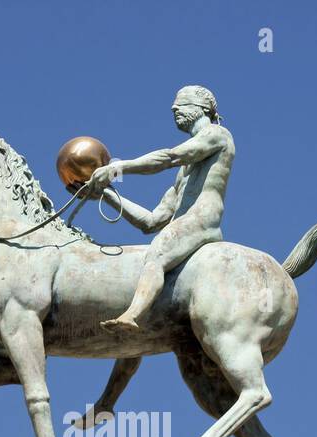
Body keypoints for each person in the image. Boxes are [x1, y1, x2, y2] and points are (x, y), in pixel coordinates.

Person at [83, 85, 234, 335]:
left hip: (202, 219)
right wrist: (106, 195)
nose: (174, 108)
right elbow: (152, 221)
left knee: (157, 254)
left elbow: (169, 157)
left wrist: (118, 168)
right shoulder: (183, 174)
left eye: (182, 103)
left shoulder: (218, 135)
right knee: (149, 257)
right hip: (182, 223)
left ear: (203, 109)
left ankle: (132, 316)